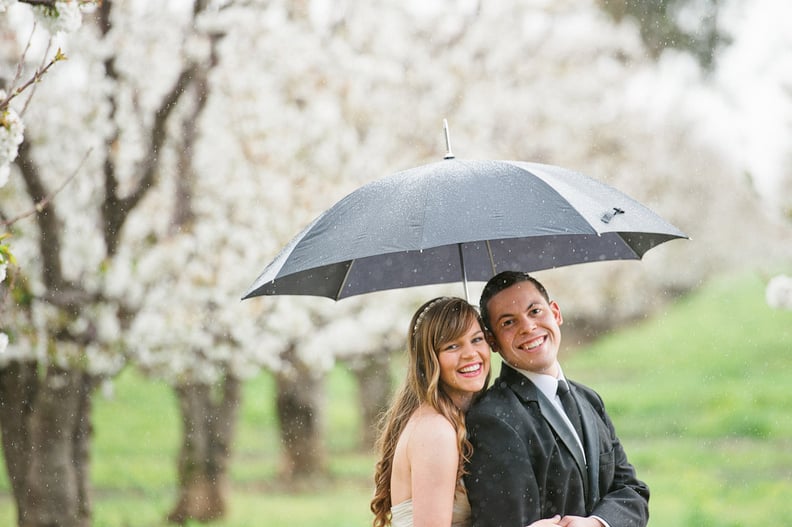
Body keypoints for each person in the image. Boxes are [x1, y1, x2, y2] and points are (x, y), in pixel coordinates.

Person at [464, 271, 650, 527]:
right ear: (492, 341)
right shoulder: (492, 418)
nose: (528, 327)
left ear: (556, 313)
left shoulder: (590, 399)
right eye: (508, 322)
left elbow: (633, 492)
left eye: (535, 311)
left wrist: (596, 523)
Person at [370, 296, 491, 527]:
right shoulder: (436, 431)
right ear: (429, 360)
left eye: (477, 339)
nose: (470, 354)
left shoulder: (451, 419)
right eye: (452, 346)